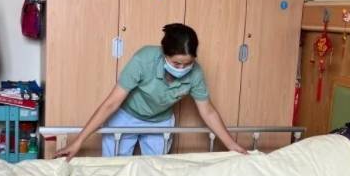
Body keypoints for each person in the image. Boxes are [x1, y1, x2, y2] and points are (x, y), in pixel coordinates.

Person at [56, 23, 247, 159]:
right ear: (164, 54)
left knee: (156, 172)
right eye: (176, 63)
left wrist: (231, 145)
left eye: (187, 63)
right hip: (127, 116)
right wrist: (79, 141)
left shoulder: (195, 73)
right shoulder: (144, 59)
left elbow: (208, 111)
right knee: (114, 169)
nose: (182, 69)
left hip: (160, 121)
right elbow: (111, 103)